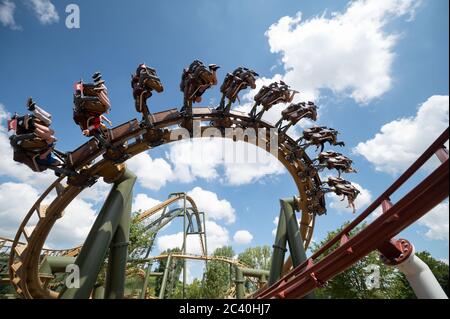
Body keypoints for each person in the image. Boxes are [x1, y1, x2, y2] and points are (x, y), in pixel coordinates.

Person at [73, 72, 112, 145]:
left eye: (104, 128)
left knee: (106, 105)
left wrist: (88, 129)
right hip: (84, 107)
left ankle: (97, 87)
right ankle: (97, 84)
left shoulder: (96, 121)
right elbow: (101, 118)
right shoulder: (98, 119)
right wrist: (108, 121)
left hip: (83, 109)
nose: (103, 126)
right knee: (104, 92)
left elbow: (94, 125)